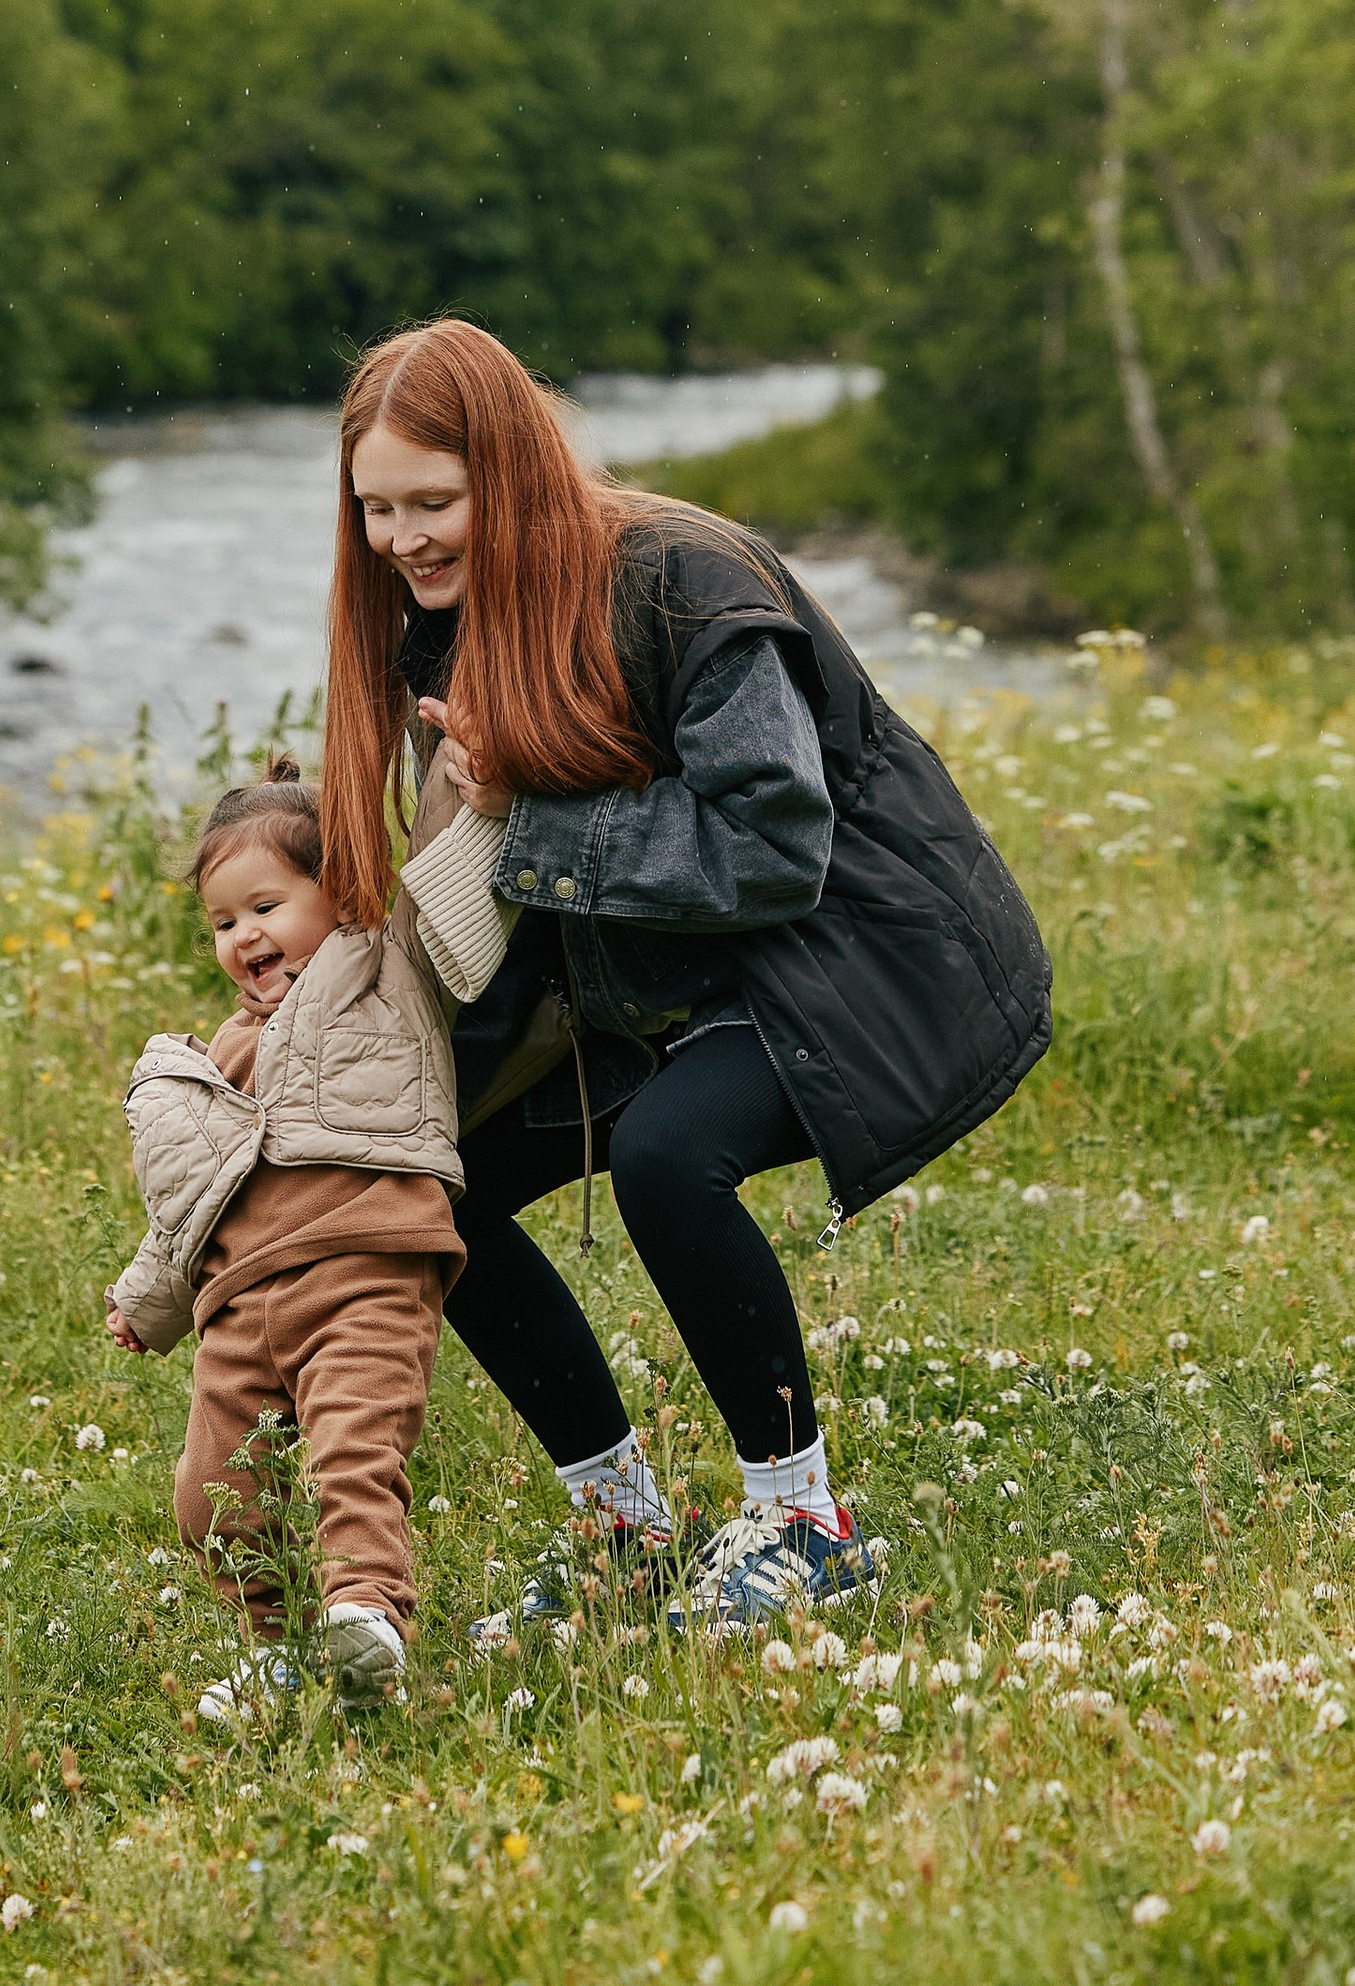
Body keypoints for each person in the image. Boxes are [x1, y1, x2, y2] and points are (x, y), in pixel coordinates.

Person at [319, 318, 1053, 1633]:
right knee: (438, 1180)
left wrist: (532, 816)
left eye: (433, 502)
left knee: (667, 1154)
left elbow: (778, 846)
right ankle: (624, 1530)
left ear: (513, 471)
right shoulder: (440, 614)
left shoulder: (680, 578)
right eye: (375, 510)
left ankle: (806, 1521)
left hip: (857, 954)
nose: (402, 540)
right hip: (650, 972)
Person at [105, 752, 514, 1718]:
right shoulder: (223, 1050)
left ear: (340, 892)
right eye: (223, 921)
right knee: (212, 1496)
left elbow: (450, 880)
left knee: (351, 1451)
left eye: (265, 906)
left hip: (366, 1269)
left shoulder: (386, 965)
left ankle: (368, 1617)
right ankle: (280, 1647)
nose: (245, 935)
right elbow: (195, 1197)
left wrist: (480, 793)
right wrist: (147, 1299)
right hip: (239, 1303)